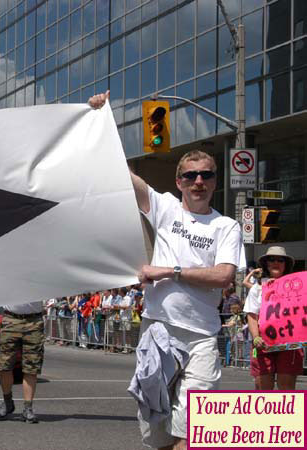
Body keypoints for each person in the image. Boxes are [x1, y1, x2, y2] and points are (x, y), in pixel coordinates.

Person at [89, 91, 243, 450]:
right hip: (157, 331)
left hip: (202, 337)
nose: (198, 181)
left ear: (215, 180)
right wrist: (102, 119)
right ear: (180, 183)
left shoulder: (226, 228)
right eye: (190, 176)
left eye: (206, 175)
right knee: (156, 434)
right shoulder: (166, 208)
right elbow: (122, 175)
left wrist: (169, 271)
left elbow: (224, 276)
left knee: (194, 434)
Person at [244, 246, 302, 390]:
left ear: (285, 264)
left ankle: (287, 412)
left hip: (290, 344)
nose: (276, 262)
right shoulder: (257, 288)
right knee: (262, 387)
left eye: (280, 260)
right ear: (266, 264)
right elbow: (251, 315)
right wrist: (256, 337)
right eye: (271, 259)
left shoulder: (297, 288)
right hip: (263, 343)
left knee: (287, 388)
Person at [0, 301, 45, 423]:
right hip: (11, 318)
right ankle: (7, 401)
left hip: (34, 320)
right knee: (4, 365)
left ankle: (28, 408)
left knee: (31, 365)